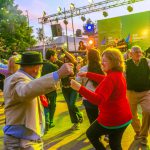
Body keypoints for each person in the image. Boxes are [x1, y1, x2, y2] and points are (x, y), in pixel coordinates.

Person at [3, 51, 73, 150]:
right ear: (36, 68)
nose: (40, 69)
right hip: (21, 142)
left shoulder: (21, 78)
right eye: (40, 67)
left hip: (23, 140)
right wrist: (57, 74)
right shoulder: (18, 79)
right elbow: (25, 91)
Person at [71, 48, 132, 150]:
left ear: (113, 62)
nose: (102, 63)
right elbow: (104, 79)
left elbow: (98, 100)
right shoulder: (117, 74)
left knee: (91, 134)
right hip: (124, 118)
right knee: (114, 144)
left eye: (104, 61)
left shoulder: (111, 77)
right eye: (101, 60)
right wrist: (87, 74)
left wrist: (79, 88)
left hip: (113, 119)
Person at [125, 45, 150, 146]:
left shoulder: (147, 61)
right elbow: (122, 76)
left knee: (148, 111)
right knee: (131, 115)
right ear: (131, 54)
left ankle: (143, 136)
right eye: (136, 52)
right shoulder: (126, 64)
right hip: (131, 92)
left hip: (146, 92)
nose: (139, 54)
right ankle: (138, 132)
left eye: (140, 52)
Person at [76, 48, 104, 124]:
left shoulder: (83, 69)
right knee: (104, 119)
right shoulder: (103, 68)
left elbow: (77, 83)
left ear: (88, 57)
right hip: (102, 98)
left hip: (88, 98)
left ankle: (96, 135)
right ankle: (106, 135)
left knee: (93, 121)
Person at [41, 49, 59, 130]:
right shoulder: (53, 66)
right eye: (55, 56)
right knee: (52, 105)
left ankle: (46, 121)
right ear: (51, 56)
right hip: (51, 89)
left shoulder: (41, 65)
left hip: (42, 89)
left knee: (45, 105)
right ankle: (50, 121)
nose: (55, 57)